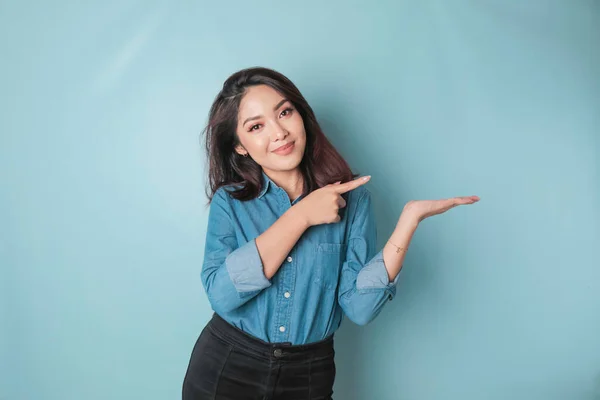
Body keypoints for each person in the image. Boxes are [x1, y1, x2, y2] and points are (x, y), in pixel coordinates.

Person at [182, 67, 479, 399]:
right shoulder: (232, 201)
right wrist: (302, 216)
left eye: (284, 112)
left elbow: (360, 308)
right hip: (227, 367)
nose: (279, 132)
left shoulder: (353, 201)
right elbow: (222, 295)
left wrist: (408, 222)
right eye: (256, 126)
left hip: (308, 374)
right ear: (240, 147)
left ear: (301, 115)